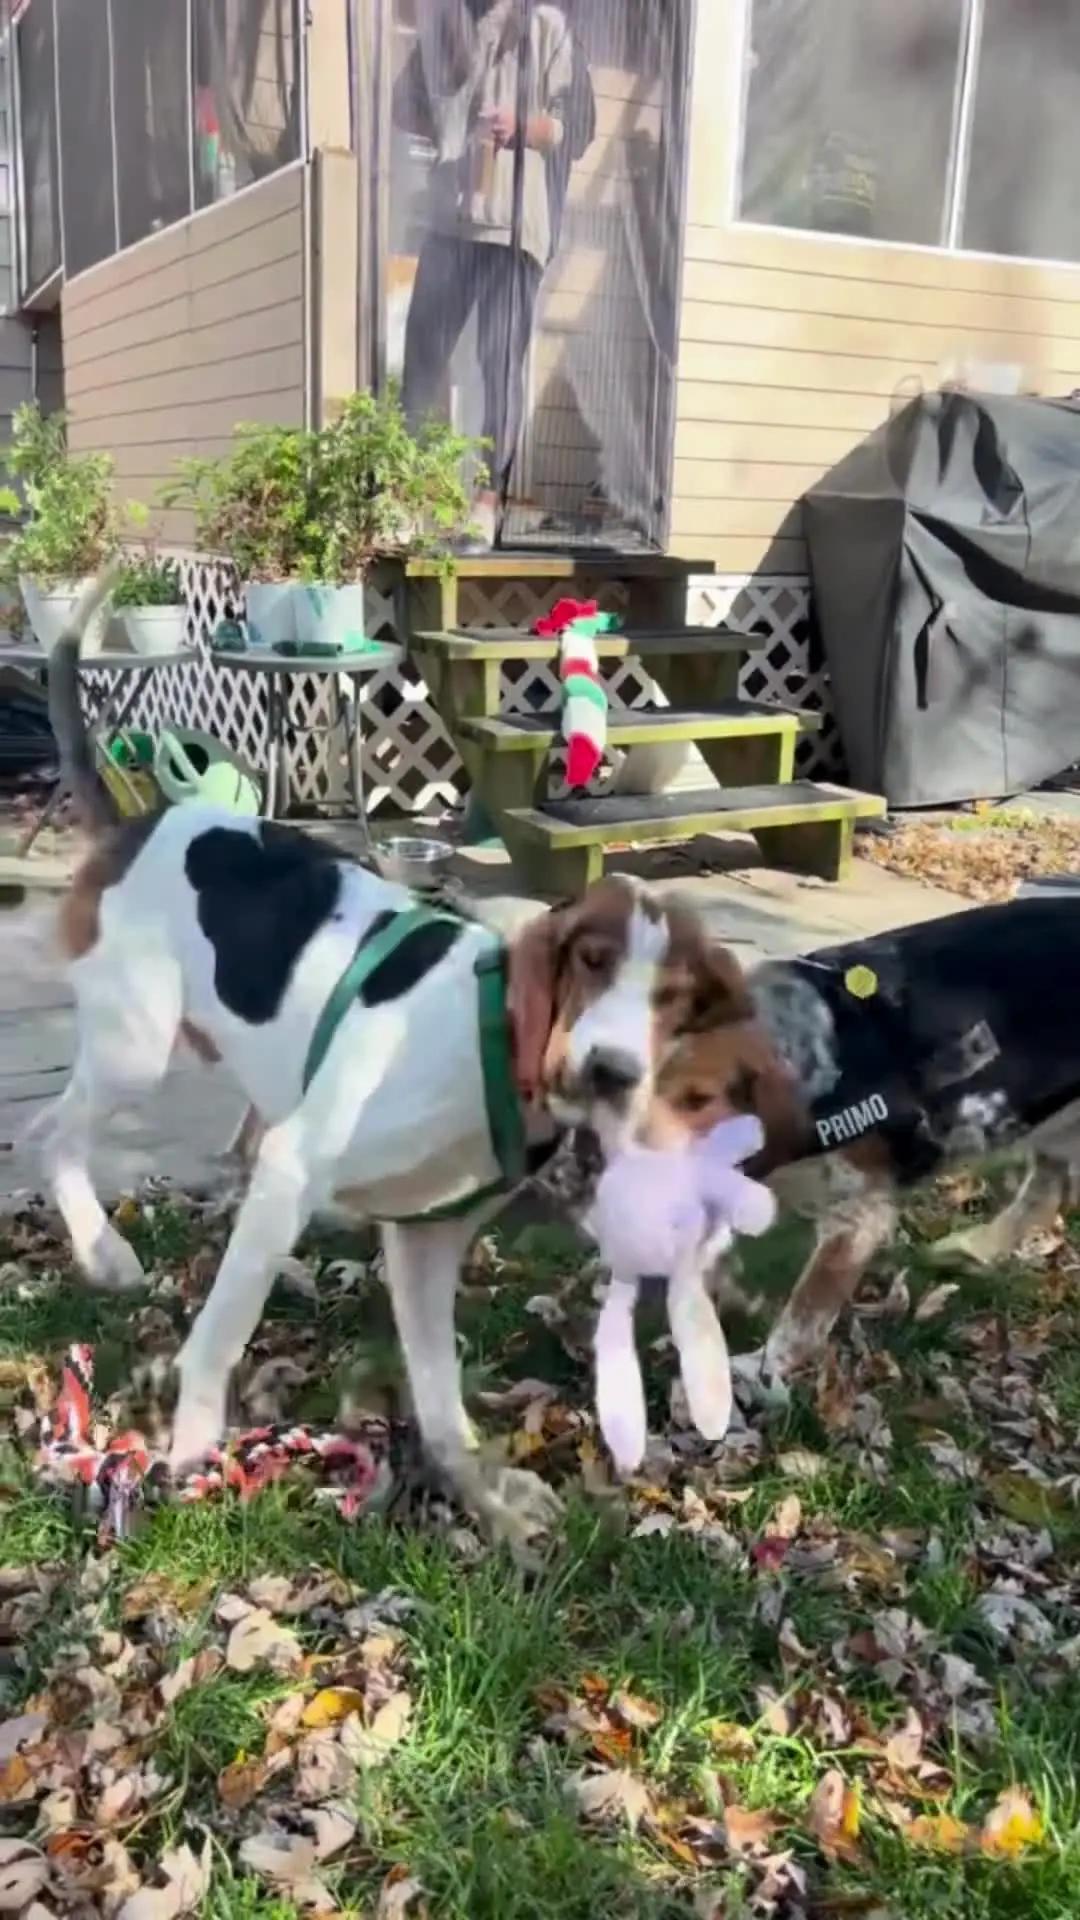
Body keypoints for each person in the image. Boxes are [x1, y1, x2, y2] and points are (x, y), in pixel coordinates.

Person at [395, 0, 594, 544]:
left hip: (515, 228)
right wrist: (447, 121)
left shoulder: (546, 27)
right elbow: (401, 106)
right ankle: (405, 497)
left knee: (498, 365)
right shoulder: (450, 23)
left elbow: (580, 130)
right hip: (449, 221)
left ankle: (485, 504)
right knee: (422, 360)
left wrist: (522, 125)